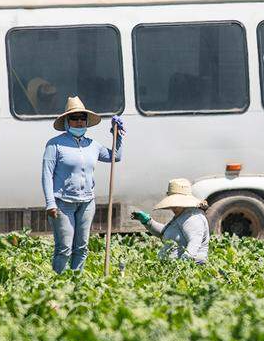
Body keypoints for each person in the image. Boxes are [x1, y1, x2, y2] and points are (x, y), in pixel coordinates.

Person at [41, 96, 124, 273]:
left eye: (82, 118)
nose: (79, 122)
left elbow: (115, 157)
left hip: (87, 202)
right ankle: (58, 285)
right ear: (66, 121)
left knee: (82, 247)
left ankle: (76, 283)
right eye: (74, 118)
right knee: (64, 247)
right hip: (62, 203)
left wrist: (117, 135)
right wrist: (50, 203)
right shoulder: (55, 144)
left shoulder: (92, 145)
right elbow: (46, 175)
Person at [131, 178, 210, 264]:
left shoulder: (193, 217)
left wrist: (184, 263)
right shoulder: (181, 215)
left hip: (187, 271)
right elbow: (164, 232)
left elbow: (194, 242)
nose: (172, 207)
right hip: (173, 269)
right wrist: (148, 222)